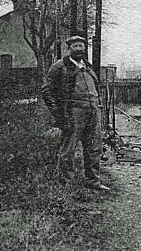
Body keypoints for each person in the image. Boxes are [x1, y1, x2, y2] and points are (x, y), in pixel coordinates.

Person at [41, 35, 110, 191]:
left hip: (92, 111)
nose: (79, 49)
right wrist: (59, 115)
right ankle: (67, 184)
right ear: (69, 48)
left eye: (81, 46)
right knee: (69, 149)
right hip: (73, 112)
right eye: (75, 46)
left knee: (94, 148)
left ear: (85, 49)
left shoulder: (87, 66)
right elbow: (46, 90)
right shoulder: (60, 66)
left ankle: (93, 181)